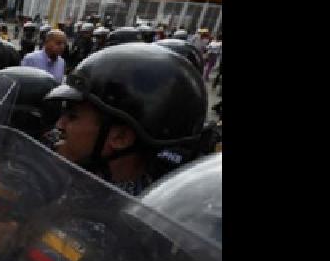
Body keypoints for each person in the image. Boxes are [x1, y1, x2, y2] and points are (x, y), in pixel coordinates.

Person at [43, 43, 208, 195]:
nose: (60, 125)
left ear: (121, 137)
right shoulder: (69, 179)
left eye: (72, 116)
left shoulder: (134, 217)